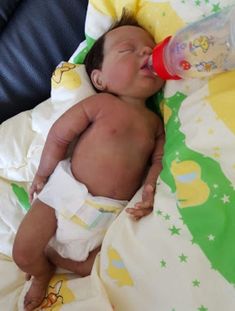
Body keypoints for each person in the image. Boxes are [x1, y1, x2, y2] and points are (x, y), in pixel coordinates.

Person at [12, 13, 165, 311]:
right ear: (99, 79)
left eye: (150, 48)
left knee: (103, 268)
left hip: (108, 214)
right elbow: (59, 135)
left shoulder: (155, 123)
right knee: (23, 252)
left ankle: (57, 259)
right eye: (128, 49)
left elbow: (158, 161)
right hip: (65, 195)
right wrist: (43, 174)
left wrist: (149, 189)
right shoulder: (101, 105)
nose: (146, 52)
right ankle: (41, 272)